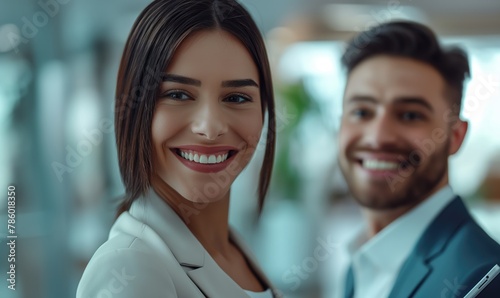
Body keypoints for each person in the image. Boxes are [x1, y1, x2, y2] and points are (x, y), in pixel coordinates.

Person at [76, 0, 281, 297]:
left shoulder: (232, 248)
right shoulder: (128, 269)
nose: (210, 129)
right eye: (178, 94)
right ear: (133, 110)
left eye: (236, 98)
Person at [338, 21, 500, 298]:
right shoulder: (360, 265)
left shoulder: (481, 280)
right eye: (362, 112)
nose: (378, 137)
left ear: (455, 136)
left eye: (410, 115)